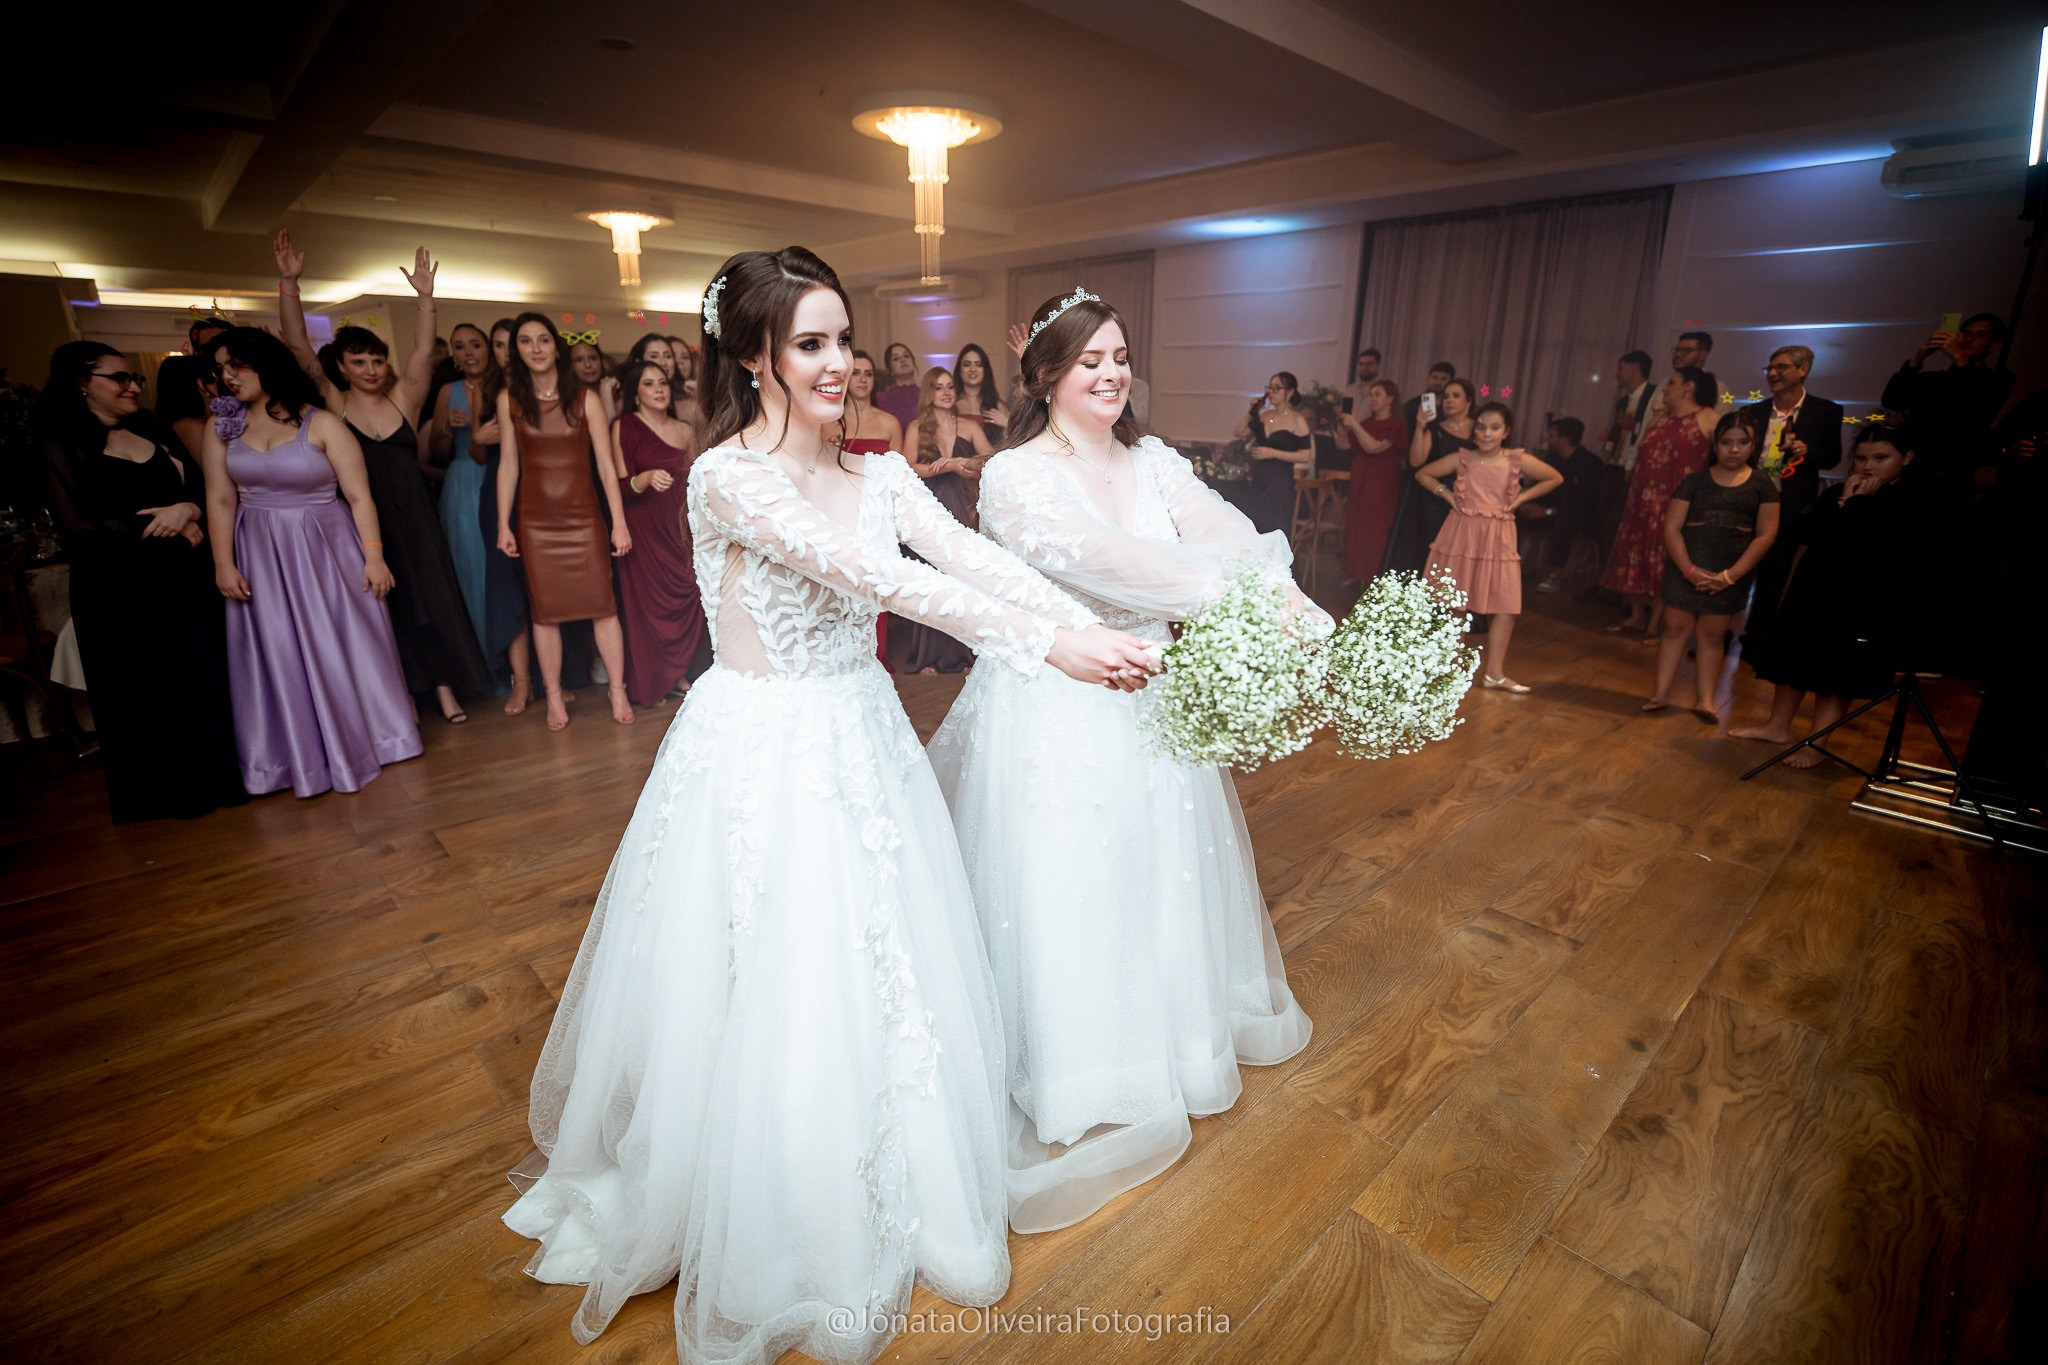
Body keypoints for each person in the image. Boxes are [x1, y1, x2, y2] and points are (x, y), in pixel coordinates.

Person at [501, 246, 1157, 1365]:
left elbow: (963, 554)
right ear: (754, 357)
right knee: (770, 970)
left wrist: (1091, 617)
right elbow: (886, 584)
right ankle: (765, 1192)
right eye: (809, 343)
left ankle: (890, 1158)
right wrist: (1050, 645)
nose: (837, 363)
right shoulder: (727, 478)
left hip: (865, 737)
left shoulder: (880, 471)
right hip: (763, 747)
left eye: (842, 340)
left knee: (885, 961)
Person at [927, 285, 1318, 1234]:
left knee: (1160, 868)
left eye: (1118, 356)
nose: (1109, 373)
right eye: (1087, 360)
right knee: (1074, 882)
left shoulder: (1154, 460)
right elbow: (1106, 561)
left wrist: (1274, 579)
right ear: (1046, 374)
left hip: (1155, 705)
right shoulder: (1013, 475)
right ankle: (1082, 1070)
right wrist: (1249, 601)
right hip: (1057, 703)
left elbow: (1224, 527)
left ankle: (1174, 1043)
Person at [275, 231, 489, 723]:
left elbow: (421, 352)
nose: (371, 368)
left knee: (432, 605)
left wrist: (426, 299)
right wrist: (290, 285)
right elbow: (295, 343)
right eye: (359, 362)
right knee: (386, 609)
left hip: (416, 520)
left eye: (376, 360)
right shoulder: (334, 402)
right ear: (343, 368)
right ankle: (403, 696)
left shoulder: (404, 400)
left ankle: (444, 689)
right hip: (361, 523)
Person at [198, 327, 420, 797]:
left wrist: (374, 558)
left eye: (236, 365)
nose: (227, 377)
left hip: (328, 547)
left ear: (267, 364)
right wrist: (223, 563)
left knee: (346, 641)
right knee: (276, 649)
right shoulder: (221, 427)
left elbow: (360, 497)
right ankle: (289, 759)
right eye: (220, 369)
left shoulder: (320, 423)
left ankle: (376, 740)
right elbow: (219, 499)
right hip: (260, 551)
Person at [35, 342, 244, 822]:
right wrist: (169, 530)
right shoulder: (59, 444)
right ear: (81, 382)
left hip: (183, 580)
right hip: (120, 590)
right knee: (146, 689)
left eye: (136, 379)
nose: (132, 386)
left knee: (201, 672)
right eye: (119, 379)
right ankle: (171, 793)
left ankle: (225, 778)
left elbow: (201, 485)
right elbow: (79, 529)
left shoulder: (150, 427)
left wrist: (188, 509)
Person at [1732, 424, 1923, 766]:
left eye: (1881, 458)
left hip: (1858, 599)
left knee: (1834, 673)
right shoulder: (1836, 492)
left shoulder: (1906, 500)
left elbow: (1867, 542)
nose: (1869, 466)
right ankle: (1777, 725)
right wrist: (1843, 500)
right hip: (1814, 588)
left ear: (1906, 457)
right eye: (1862, 457)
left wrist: (1856, 504)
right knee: (1793, 656)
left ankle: (1816, 743)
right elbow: (1803, 532)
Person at [495, 313, 635, 731]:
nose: (536, 348)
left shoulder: (585, 398)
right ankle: (554, 696)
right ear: (518, 351)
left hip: (584, 517)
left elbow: (607, 468)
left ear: (556, 346)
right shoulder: (509, 400)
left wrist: (619, 522)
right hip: (535, 522)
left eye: (543, 339)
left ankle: (617, 689)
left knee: (603, 607)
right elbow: (508, 465)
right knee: (545, 613)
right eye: (525, 341)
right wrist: (504, 524)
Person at [1416, 401, 1562, 692]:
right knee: (1455, 606)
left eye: (1494, 428)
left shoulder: (1516, 460)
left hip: (1499, 534)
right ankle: (1451, 672)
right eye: (1481, 426)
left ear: (1506, 432)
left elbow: (1555, 477)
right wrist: (1446, 494)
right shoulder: (1464, 458)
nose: (1485, 433)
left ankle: (1494, 673)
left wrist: (1520, 500)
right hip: (1463, 531)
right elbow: (1423, 473)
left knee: (1505, 606)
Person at [1644, 413, 1779, 720]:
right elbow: (1672, 528)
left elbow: (1766, 534)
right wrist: (1689, 570)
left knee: (1713, 636)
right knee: (1675, 628)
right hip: (1686, 565)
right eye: (1726, 442)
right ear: (1715, 445)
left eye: (1742, 442)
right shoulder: (1695, 480)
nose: (1734, 449)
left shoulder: (1762, 484)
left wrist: (1730, 576)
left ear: (1753, 444)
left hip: (1729, 571)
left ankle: (1705, 700)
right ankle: (1660, 694)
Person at [1735, 346, 1842, 660]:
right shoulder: (1754, 411)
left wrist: (1807, 450)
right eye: (1769, 368)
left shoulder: (1825, 411)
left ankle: (1755, 642)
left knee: (1773, 574)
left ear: (1803, 369)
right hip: (1748, 499)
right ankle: (1717, 632)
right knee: (1736, 568)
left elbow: (1833, 457)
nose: (1773, 374)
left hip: (1788, 503)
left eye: (1781, 367)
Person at [611, 359, 704, 705]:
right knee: (649, 607)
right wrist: (645, 478)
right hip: (644, 528)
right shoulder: (625, 426)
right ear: (636, 393)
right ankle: (662, 677)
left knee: (688, 597)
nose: (659, 389)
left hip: (680, 528)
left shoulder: (685, 430)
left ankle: (681, 671)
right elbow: (619, 484)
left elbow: (699, 482)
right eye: (649, 383)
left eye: (663, 382)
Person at [1599, 367, 1718, 636]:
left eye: (1672, 383)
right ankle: (1636, 616)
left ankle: (1656, 625)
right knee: (1635, 554)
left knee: (1664, 561)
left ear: (1688, 387)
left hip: (1674, 502)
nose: (1665, 389)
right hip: (1641, 500)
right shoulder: (1660, 419)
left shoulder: (1707, 417)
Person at [900, 366, 997, 674]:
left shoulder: (968, 426)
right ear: (929, 392)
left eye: (950, 386)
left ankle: (966, 655)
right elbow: (907, 466)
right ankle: (927, 657)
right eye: (939, 387)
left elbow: (991, 460)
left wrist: (962, 463)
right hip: (929, 507)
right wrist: (942, 467)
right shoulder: (917, 426)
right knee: (930, 579)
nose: (946, 391)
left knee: (963, 578)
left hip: (963, 505)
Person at [1880, 312, 2015, 492]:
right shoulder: (1934, 379)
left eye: (1980, 335)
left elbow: (1974, 407)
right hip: (1909, 470)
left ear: (1994, 345)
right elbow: (1892, 401)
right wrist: (1917, 359)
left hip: (1949, 477)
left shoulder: (1998, 380)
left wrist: (1960, 358)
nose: (1969, 339)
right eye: (1966, 333)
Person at [1386, 376, 1478, 572]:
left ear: (1468, 400)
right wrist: (1420, 426)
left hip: (1469, 499)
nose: (1449, 400)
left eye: (1455, 396)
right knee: (1430, 549)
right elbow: (1416, 462)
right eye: (1446, 397)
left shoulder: (1479, 430)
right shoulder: (1435, 430)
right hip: (1434, 499)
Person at [1333, 377, 1405, 583]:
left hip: (1380, 482)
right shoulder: (1366, 423)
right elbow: (1344, 445)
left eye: (1377, 395)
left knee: (1375, 529)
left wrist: (1354, 424)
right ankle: (1357, 574)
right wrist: (1342, 425)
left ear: (1390, 398)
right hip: (1361, 479)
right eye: (1371, 395)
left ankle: (1374, 575)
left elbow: (1373, 447)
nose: (1372, 399)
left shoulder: (1395, 424)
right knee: (1357, 527)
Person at [1234, 371, 1313, 537]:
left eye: (1277, 388)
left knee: (1274, 525)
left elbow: (1305, 455)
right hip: (1259, 477)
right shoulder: (1265, 416)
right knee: (1254, 525)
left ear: (1289, 392)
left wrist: (1273, 453)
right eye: (1269, 388)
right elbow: (1238, 431)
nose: (1271, 392)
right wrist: (1251, 410)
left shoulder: (1297, 420)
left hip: (1280, 481)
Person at [1533, 417, 1605, 593]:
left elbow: (1584, 501)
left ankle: (1555, 576)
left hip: (1578, 515)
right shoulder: (1552, 459)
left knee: (1565, 524)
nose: (1547, 439)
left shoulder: (1589, 463)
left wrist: (1548, 511)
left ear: (1564, 439)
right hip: (1554, 508)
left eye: (1551, 435)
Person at [954, 342, 1009, 441]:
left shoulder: (998, 406)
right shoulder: (951, 406)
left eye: (978, 364)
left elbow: (1018, 441)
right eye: (967, 364)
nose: (973, 369)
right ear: (959, 370)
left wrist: (1007, 423)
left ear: (985, 370)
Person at [569, 339, 620, 424]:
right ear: (570, 366)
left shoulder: (618, 393)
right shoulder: (568, 400)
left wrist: (607, 392)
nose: (588, 365)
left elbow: (614, 433)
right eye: (579, 360)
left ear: (601, 361)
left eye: (593, 358)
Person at [874, 341, 920, 431]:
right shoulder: (881, 400)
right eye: (896, 358)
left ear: (914, 362)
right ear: (889, 369)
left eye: (906, 356)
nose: (903, 360)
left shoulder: (926, 394)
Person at [1402, 361, 1453, 433]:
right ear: (1429, 378)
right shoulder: (1413, 405)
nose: (1438, 382)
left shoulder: (1452, 406)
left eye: (1443, 379)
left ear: (1451, 381)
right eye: (1435, 377)